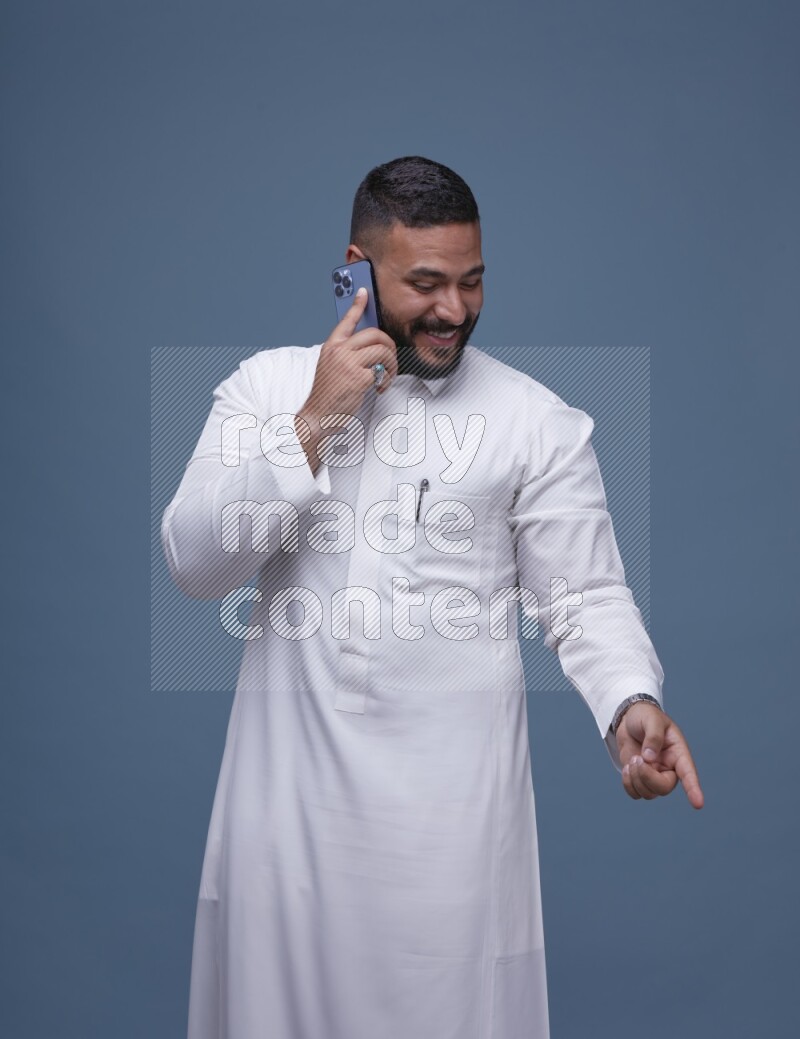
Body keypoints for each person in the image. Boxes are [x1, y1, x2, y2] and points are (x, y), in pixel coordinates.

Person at [161, 156, 703, 1039]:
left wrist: (630, 704)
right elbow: (193, 562)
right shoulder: (265, 389)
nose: (454, 310)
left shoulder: (537, 421)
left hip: (450, 852)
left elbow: (587, 597)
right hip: (286, 837)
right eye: (425, 284)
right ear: (356, 270)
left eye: (472, 281)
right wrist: (315, 419)